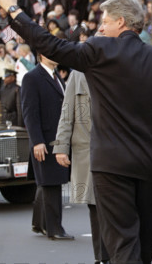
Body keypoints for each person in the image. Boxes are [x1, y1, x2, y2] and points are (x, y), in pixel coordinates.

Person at [0, 0, 152, 263]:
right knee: (145, 241)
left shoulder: (98, 50)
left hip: (110, 165)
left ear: (122, 23)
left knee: (123, 244)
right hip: (149, 163)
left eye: (105, 21)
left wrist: (14, 10)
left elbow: (50, 44)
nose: (99, 27)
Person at [54, 70, 110, 263]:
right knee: (95, 205)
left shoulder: (118, 64)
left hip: (116, 150)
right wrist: (61, 146)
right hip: (87, 150)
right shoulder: (77, 74)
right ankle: (102, 258)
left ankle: (118, 255)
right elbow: (66, 111)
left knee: (117, 206)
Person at [21, 53, 72, 240]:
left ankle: (39, 223)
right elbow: (29, 112)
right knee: (51, 183)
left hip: (57, 139)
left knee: (47, 181)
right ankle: (55, 229)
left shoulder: (56, 76)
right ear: (41, 55)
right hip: (45, 140)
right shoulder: (31, 77)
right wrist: (37, 141)